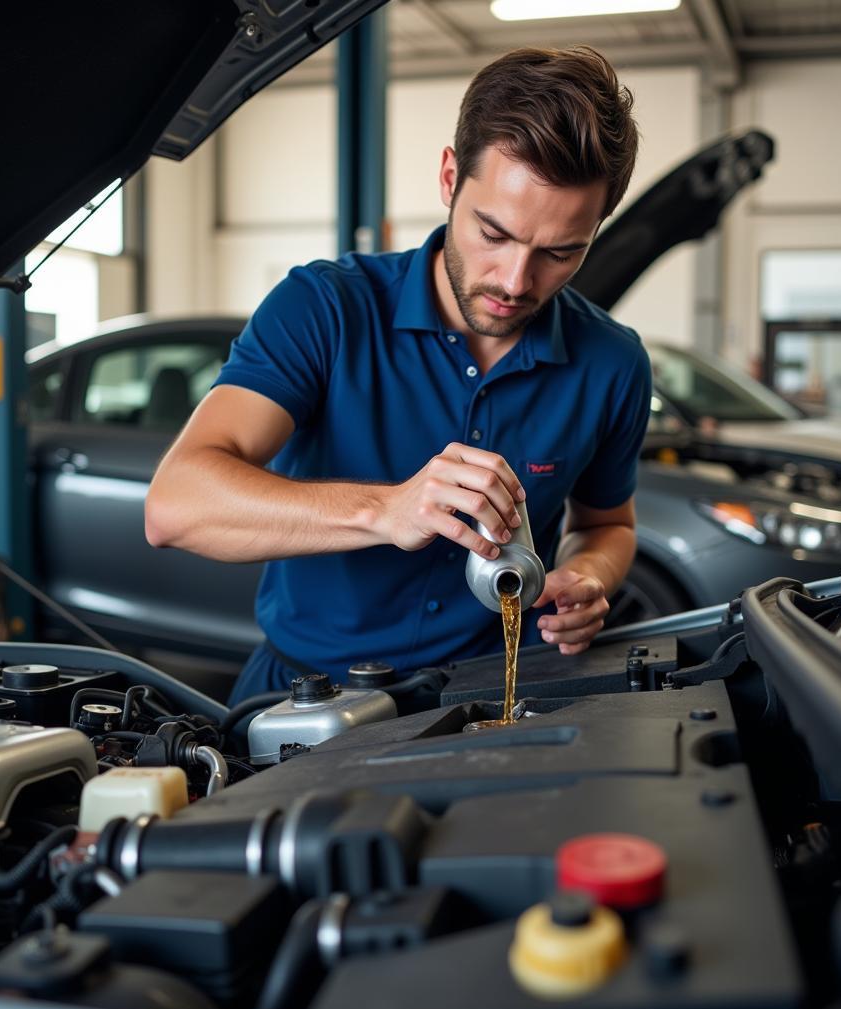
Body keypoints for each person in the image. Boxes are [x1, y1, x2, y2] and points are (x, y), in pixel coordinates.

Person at [145, 46, 651, 701]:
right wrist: (386, 509)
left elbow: (609, 525)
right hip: (306, 697)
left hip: (496, 696)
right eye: (493, 233)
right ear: (449, 178)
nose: (516, 280)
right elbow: (176, 506)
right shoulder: (325, 309)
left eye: (560, 252)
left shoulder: (613, 363)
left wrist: (588, 576)